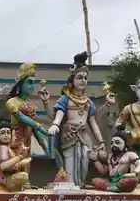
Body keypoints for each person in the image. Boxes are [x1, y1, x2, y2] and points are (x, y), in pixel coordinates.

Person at [47, 52, 114, 187]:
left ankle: (79, 185)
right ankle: (70, 185)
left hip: (84, 136)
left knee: (84, 161)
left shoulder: (88, 102)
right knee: (70, 160)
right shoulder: (65, 98)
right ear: (72, 80)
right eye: (79, 77)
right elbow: (59, 113)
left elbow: (93, 121)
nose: (83, 80)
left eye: (85, 77)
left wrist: (100, 140)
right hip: (69, 135)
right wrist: (55, 124)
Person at [88, 125, 140, 193]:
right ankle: (112, 187)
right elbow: (103, 172)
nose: (114, 145)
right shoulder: (110, 157)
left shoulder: (129, 154)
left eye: (117, 143)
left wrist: (134, 173)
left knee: (133, 180)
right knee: (95, 180)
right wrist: (95, 159)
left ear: (125, 144)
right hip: (110, 181)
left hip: (121, 180)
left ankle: (112, 187)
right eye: (112, 143)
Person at [0, 119, 30, 192]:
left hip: (2, 179)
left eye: (8, 133)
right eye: (3, 133)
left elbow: (12, 167)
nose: (6, 135)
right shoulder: (2, 148)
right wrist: (20, 157)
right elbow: (4, 166)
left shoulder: (7, 148)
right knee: (24, 176)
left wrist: (21, 158)